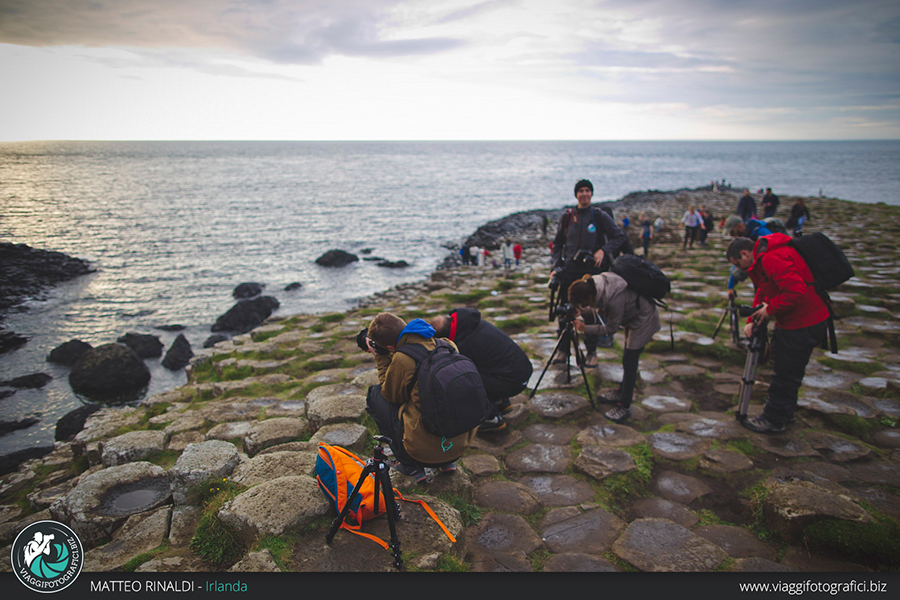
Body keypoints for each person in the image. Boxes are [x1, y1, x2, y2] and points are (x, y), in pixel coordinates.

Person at [726, 236, 831, 433]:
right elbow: (764, 291)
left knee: (785, 372)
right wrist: (752, 320)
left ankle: (774, 419)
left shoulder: (771, 258)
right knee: (788, 370)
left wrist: (769, 310)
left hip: (803, 322)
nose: (739, 268)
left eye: (738, 263)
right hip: (799, 320)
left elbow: (796, 290)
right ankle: (785, 411)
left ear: (745, 253)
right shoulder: (762, 260)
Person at [362, 313, 479, 482]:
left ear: (389, 347)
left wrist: (381, 356)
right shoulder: (446, 344)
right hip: (459, 443)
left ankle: (409, 464)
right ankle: (448, 462)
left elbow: (390, 395)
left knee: (375, 395)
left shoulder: (403, 359)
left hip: (425, 454)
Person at [550, 179, 628, 365]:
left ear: (591, 194)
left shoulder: (599, 216)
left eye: (587, 190)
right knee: (566, 313)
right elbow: (557, 244)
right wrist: (555, 267)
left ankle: (591, 353)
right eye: (581, 191)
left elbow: (620, 236)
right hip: (569, 273)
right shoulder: (567, 217)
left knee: (590, 315)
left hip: (591, 276)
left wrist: (603, 250)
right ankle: (563, 352)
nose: (584, 194)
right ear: (576, 194)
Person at [568, 273, 660, 424]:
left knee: (630, 360)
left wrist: (586, 328)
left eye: (584, 303)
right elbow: (598, 309)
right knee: (627, 357)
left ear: (590, 296)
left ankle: (624, 406)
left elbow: (611, 328)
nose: (585, 306)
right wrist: (582, 312)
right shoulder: (598, 287)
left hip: (644, 320)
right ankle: (621, 392)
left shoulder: (614, 300)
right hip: (633, 317)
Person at [430, 308, 533, 432]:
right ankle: (501, 402)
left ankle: (492, 418)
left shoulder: (464, 344)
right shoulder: (470, 323)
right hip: (521, 372)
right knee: (483, 366)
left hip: (513, 382)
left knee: (462, 380)